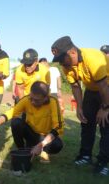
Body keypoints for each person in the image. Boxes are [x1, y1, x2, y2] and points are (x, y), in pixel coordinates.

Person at [51, 36, 109, 176]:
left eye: (61, 59)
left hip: (107, 88)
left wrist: (105, 108)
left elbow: (103, 86)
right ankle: (85, 156)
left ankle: (104, 162)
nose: (60, 63)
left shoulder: (93, 57)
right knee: (86, 122)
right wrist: (80, 108)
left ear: (72, 53)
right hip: (91, 90)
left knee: (105, 125)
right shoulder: (67, 65)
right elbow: (76, 87)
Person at [0, 81, 64, 165]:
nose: (32, 102)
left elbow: (58, 127)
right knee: (16, 122)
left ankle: (43, 150)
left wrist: (41, 145)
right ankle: (22, 151)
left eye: (36, 100)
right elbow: (11, 112)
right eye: (31, 98)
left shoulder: (53, 102)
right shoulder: (26, 99)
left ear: (45, 98)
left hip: (45, 137)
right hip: (31, 134)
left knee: (57, 145)